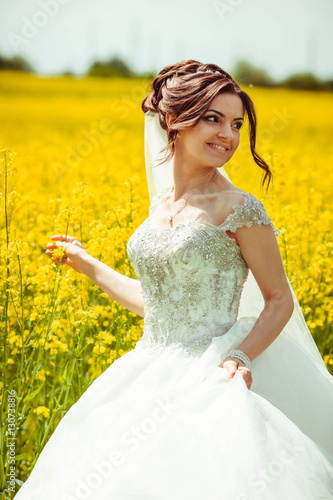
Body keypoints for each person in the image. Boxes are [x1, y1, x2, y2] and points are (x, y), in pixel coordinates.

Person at [16, 60, 333, 499]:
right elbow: (158, 303)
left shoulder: (239, 207)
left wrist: (239, 356)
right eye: (213, 118)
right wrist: (87, 263)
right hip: (148, 368)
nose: (229, 134)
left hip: (214, 372)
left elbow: (279, 298)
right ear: (173, 121)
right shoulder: (160, 205)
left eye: (237, 124)